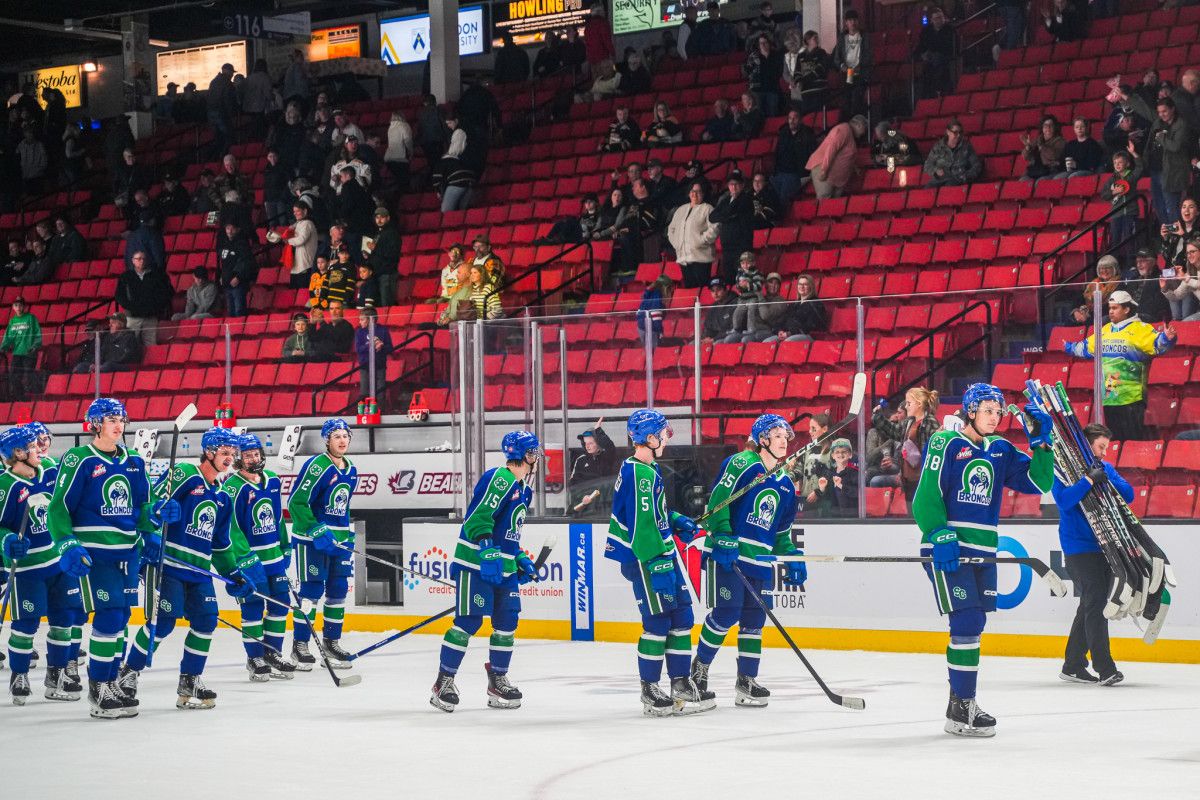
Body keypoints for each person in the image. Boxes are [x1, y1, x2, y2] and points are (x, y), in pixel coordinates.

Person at [120, 428, 263, 710]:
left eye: (232, 454)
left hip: (198, 571)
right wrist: (152, 527)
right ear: (209, 452)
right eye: (224, 452)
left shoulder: (222, 497)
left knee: (207, 621)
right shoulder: (186, 473)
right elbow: (152, 505)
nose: (229, 458)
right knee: (162, 624)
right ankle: (128, 673)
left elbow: (220, 545)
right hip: (168, 564)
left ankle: (190, 679)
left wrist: (232, 573)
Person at [47, 398, 162, 718]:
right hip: (95, 554)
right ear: (94, 424)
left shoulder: (135, 461)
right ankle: (98, 687)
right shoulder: (79, 458)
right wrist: (66, 544)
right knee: (110, 616)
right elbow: (58, 507)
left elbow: (143, 507)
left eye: (121, 419)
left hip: (128, 552)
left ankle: (111, 680)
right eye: (110, 419)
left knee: (122, 618)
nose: (117, 424)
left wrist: (152, 528)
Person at [691, 414, 804, 707]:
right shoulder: (743, 463)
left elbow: (781, 532)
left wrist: (791, 555)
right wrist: (723, 534)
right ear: (762, 439)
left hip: (760, 561)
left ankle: (747, 681)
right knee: (727, 614)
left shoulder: (785, 484)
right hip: (730, 553)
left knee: (754, 620)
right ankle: (698, 672)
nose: (783, 441)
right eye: (776, 435)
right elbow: (719, 499)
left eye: (785, 436)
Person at [605, 410, 710, 716]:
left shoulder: (645, 469)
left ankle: (679, 682)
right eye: (663, 433)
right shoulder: (640, 473)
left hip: (660, 554)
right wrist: (657, 561)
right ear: (650, 438)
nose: (666, 438)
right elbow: (640, 527)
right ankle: (650, 688)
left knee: (682, 618)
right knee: (658, 623)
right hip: (647, 559)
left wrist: (675, 520)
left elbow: (651, 514)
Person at [430, 431, 539, 712]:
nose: (536, 457)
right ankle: (443, 681)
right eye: (533, 452)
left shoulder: (525, 489)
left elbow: (508, 535)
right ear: (524, 455)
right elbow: (478, 518)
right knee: (469, 622)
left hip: (502, 566)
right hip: (475, 563)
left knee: (507, 622)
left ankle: (497, 680)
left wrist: (519, 559)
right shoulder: (499, 478)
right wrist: (487, 549)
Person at [1052, 423, 1132, 687]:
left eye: (1106, 448)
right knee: (1096, 602)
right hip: (1078, 548)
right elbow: (1064, 501)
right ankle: (1105, 667)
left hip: (1105, 546)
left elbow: (1128, 494)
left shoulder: (1105, 468)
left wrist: (1105, 477)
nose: (1104, 453)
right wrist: (1087, 480)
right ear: (1086, 445)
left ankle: (1073, 664)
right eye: (1100, 447)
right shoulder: (1063, 470)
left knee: (1089, 603)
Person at [0, 425, 74, 704]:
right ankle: (19, 674)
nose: (39, 449)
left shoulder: (51, 475)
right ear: (17, 453)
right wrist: (6, 541)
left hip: (58, 564)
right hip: (27, 570)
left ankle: (56, 674)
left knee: (64, 620)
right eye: (32, 446)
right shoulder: (4, 486)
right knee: (26, 623)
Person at [222, 433, 296, 681]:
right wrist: (244, 559)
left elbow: (277, 517)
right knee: (253, 608)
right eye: (247, 455)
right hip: (250, 560)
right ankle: (255, 657)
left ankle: (272, 653)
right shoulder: (232, 487)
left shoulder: (273, 480)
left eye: (256, 454)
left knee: (280, 603)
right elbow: (230, 527)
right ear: (238, 460)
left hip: (273, 556)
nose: (253, 458)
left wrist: (285, 546)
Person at [288, 419, 359, 671]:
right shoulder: (317, 466)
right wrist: (315, 527)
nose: (342, 440)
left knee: (338, 589)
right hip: (312, 540)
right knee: (311, 591)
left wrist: (346, 535)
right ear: (327, 440)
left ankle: (331, 644)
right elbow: (296, 502)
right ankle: (300, 645)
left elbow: (343, 507)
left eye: (345, 435)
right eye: (336, 436)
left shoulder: (351, 470)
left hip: (339, 541)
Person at [1064, 291, 1177, 440]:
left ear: (1127, 309)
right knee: (1115, 445)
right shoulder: (1105, 330)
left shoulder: (1140, 328)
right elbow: (1085, 348)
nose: (1110, 311)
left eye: (1115, 308)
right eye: (1110, 307)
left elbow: (1158, 344)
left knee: (1131, 443)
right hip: (1110, 396)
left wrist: (1167, 338)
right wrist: (1067, 347)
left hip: (1132, 398)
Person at [872, 387, 941, 502]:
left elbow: (936, 448)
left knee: (920, 512)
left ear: (919, 404)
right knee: (910, 511)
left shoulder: (930, 421)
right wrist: (878, 417)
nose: (906, 406)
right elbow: (893, 431)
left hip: (923, 477)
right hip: (908, 477)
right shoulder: (909, 422)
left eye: (909, 403)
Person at [115, 252, 173, 346]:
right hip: (133, 317)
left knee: (151, 344)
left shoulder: (155, 276)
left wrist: (156, 308)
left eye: (143, 259)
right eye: (138, 259)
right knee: (130, 344)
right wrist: (130, 307)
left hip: (150, 317)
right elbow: (119, 296)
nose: (141, 261)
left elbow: (164, 293)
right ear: (133, 261)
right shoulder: (126, 276)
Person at [667, 183, 718, 289]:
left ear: (703, 193)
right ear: (689, 193)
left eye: (698, 191)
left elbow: (715, 227)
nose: (694, 194)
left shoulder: (707, 208)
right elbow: (671, 229)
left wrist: (701, 240)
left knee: (702, 290)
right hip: (683, 258)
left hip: (701, 257)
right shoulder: (681, 209)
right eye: (692, 191)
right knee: (690, 291)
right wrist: (676, 243)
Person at [805, 115, 868, 199]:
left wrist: (854, 167)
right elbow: (831, 149)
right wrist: (824, 170)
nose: (864, 132)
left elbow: (844, 155)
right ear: (859, 125)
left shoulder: (849, 133)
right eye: (865, 129)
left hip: (835, 177)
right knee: (825, 201)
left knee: (833, 206)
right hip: (825, 170)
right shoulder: (844, 130)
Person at [709, 174, 754, 284]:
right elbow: (712, 217)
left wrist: (724, 215)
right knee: (729, 278)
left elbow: (731, 211)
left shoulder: (746, 198)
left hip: (742, 245)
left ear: (742, 185)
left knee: (743, 279)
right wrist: (728, 217)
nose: (733, 187)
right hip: (727, 246)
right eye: (731, 184)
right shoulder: (726, 200)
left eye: (736, 184)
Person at [569, 419, 618, 514]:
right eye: (585, 443)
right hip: (586, 507)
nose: (587, 446)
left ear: (599, 443)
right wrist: (582, 497)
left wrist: (598, 431)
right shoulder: (580, 460)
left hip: (606, 506)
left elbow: (610, 447)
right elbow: (574, 483)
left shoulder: (607, 456)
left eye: (591, 443)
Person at [1101, 146, 1142, 254]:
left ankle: (1131, 263)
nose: (1117, 165)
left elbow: (1140, 167)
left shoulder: (1131, 177)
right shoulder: (1111, 180)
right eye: (1115, 163)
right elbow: (1104, 195)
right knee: (1115, 240)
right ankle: (1115, 262)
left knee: (1129, 238)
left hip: (1130, 212)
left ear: (1127, 164)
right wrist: (1114, 192)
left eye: (1120, 162)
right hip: (1116, 214)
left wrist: (1133, 153)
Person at [72, 313, 143, 374]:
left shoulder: (129, 338)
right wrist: (95, 363)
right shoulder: (108, 337)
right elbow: (102, 352)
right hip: (106, 365)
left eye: (113, 323)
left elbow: (127, 358)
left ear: (121, 325)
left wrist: (103, 365)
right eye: (110, 323)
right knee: (81, 366)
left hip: (123, 366)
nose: (110, 325)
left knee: (108, 365)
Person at [772, 110, 817, 203]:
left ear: (800, 120)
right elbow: (777, 153)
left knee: (782, 200)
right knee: (770, 197)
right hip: (780, 173)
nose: (792, 121)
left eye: (795, 118)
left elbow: (813, 154)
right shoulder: (784, 133)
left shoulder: (807, 134)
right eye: (790, 118)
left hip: (796, 174)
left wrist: (806, 173)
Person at [1, 297, 41, 400]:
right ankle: (20, 398)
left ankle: (32, 398)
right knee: (14, 375)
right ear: (13, 307)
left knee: (28, 376)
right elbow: (8, 337)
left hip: (29, 353)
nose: (18, 307)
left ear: (24, 306)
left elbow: (38, 334)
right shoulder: (12, 321)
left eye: (20, 305)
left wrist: (35, 346)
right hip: (17, 353)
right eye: (16, 305)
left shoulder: (31, 318)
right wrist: (3, 348)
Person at [833, 11, 871, 116]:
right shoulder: (842, 37)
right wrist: (842, 66)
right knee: (846, 101)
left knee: (857, 100)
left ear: (858, 21)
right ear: (846, 23)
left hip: (861, 72)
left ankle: (859, 122)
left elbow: (869, 55)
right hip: (847, 73)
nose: (852, 22)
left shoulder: (864, 36)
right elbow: (837, 57)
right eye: (850, 20)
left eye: (854, 20)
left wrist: (861, 66)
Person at [924, 120, 983, 187]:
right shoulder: (938, 147)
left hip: (958, 179)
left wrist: (965, 176)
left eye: (960, 133)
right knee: (927, 190)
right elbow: (928, 164)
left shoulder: (966, 147)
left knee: (948, 189)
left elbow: (977, 166)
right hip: (940, 179)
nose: (958, 135)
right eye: (955, 132)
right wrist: (936, 170)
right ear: (948, 132)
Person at [1122, 248, 1171, 324]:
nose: (1138, 265)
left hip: (1151, 317)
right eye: (1137, 262)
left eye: (1142, 261)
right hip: (1131, 316)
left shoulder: (1161, 277)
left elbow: (1159, 305)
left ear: (1153, 262)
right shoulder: (1133, 279)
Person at [915, 7, 954, 98]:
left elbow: (949, 46)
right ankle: (926, 93)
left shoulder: (949, 29)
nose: (939, 20)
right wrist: (921, 54)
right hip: (930, 57)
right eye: (936, 18)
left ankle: (938, 90)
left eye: (941, 17)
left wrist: (933, 51)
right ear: (932, 20)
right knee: (925, 63)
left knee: (936, 59)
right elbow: (922, 45)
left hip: (945, 55)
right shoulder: (927, 31)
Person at [363, 207, 400, 306]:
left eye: (382, 217)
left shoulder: (392, 233)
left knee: (386, 305)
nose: (379, 220)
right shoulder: (378, 233)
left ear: (388, 218)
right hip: (376, 274)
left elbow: (392, 254)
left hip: (387, 274)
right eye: (377, 217)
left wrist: (375, 248)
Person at [218, 220, 255, 318]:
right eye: (227, 228)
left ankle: (242, 332)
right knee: (231, 312)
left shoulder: (242, 244)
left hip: (238, 283)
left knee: (239, 311)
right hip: (227, 282)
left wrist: (238, 277)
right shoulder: (224, 243)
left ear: (237, 229)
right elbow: (224, 263)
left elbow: (246, 263)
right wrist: (222, 276)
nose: (229, 231)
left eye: (232, 228)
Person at [1070, 255, 1121, 324]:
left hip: (1107, 318)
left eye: (1108, 268)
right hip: (1090, 316)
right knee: (1071, 319)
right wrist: (1076, 311)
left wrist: (1088, 315)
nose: (1104, 271)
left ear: (1114, 269)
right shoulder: (1094, 283)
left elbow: (1113, 307)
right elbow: (1079, 299)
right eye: (1101, 268)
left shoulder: (1119, 284)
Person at [355, 306, 393, 399]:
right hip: (365, 366)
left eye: (362, 319)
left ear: (370, 320)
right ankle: (364, 412)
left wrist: (381, 346)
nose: (359, 322)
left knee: (380, 393)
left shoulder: (383, 330)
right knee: (364, 393)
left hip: (380, 366)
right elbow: (358, 349)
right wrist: (369, 345)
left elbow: (390, 348)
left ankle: (381, 410)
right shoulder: (359, 332)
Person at [744, 34, 783, 117]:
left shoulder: (775, 55)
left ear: (769, 43)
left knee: (773, 114)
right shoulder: (754, 56)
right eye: (761, 43)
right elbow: (747, 71)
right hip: (757, 90)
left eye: (765, 42)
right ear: (758, 45)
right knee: (759, 115)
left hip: (772, 88)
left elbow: (780, 71)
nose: (763, 45)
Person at [1021, 116, 1066, 181]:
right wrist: (1028, 147)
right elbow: (1026, 157)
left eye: (1051, 125)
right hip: (1034, 170)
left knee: (1041, 181)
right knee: (1023, 181)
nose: (1048, 128)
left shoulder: (1060, 141)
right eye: (1045, 126)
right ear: (1042, 128)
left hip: (1050, 170)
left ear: (1055, 127)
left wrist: (1042, 147)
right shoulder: (1038, 140)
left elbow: (1053, 156)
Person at [384, 111, 414, 194]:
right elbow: (408, 141)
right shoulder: (404, 125)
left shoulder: (390, 127)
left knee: (398, 181)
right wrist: (411, 153)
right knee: (405, 182)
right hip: (401, 157)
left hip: (389, 158)